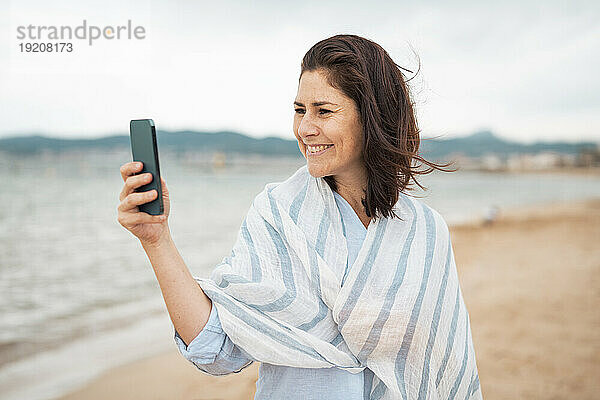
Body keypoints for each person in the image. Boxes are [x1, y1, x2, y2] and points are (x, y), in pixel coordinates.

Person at [118, 34, 482, 399]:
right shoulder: (278, 212)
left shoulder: (425, 231)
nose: (305, 128)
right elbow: (217, 349)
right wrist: (157, 240)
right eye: (299, 110)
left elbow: (444, 366)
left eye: (323, 111)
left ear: (371, 117)